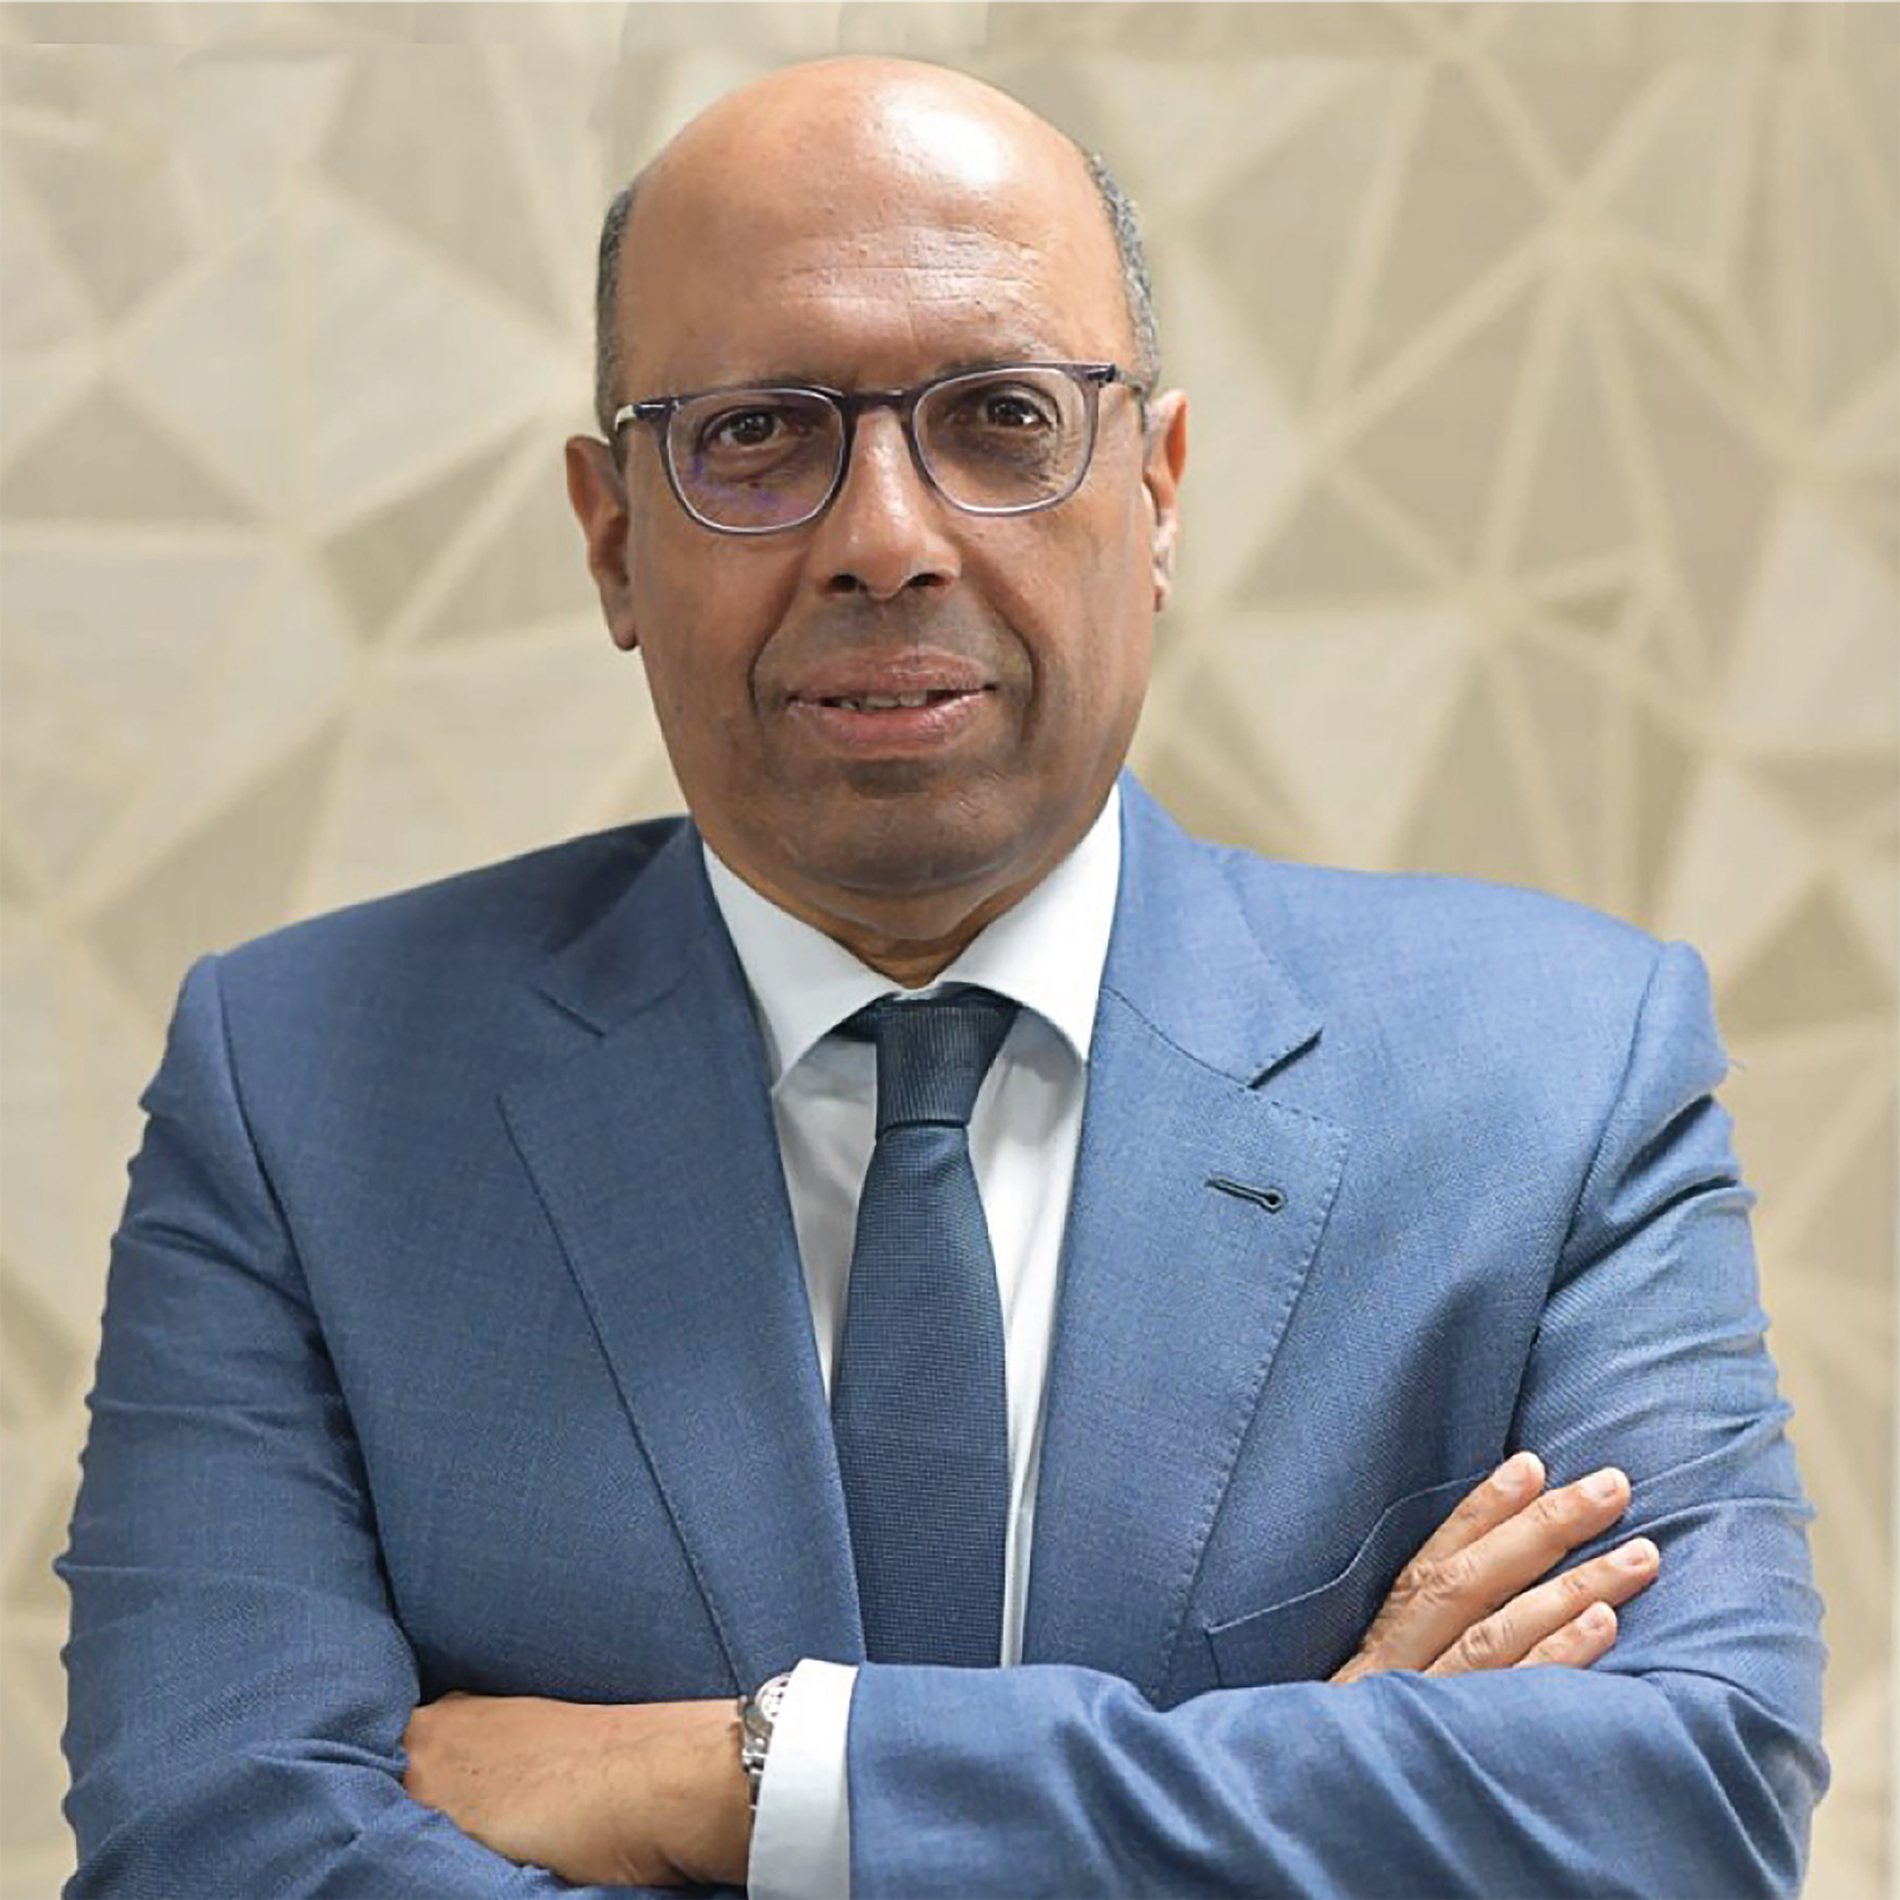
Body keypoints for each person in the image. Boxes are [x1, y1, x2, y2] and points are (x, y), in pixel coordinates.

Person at [59, 54, 1825, 1900]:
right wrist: (1327, 1782)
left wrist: (748, 1782)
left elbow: (1685, 1809)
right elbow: (213, 1851)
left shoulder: (1558, 1076)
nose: (887, 541)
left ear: (1157, 492)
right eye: (757, 434)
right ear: (614, 538)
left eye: (999, 417)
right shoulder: (303, 1092)